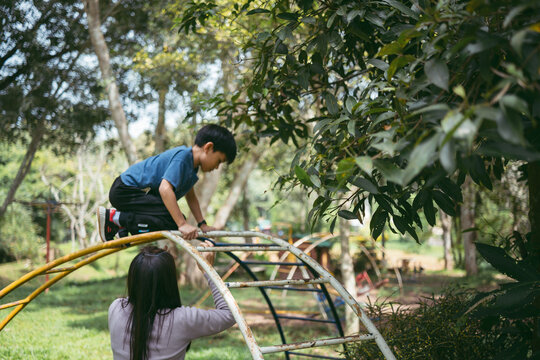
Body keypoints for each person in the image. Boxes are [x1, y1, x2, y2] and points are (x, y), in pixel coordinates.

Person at [98, 124, 236, 241]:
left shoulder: (191, 168)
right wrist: (182, 224)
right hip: (125, 191)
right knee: (173, 220)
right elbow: (165, 189)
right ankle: (116, 218)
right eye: (219, 161)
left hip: (132, 193)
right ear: (208, 148)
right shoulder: (183, 158)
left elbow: (191, 197)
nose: (217, 167)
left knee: (173, 219)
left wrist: (202, 224)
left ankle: (122, 225)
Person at [108, 242, 236, 360]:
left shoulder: (116, 308)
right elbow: (230, 314)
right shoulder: (182, 319)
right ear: (169, 282)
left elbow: (144, 289)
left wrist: (156, 262)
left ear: (133, 278)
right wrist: (208, 270)